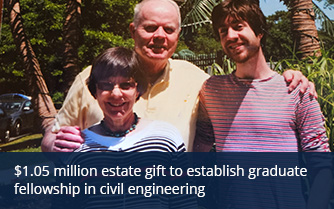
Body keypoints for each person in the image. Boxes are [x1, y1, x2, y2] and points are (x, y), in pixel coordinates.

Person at [41, 0, 314, 152]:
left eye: (168, 30)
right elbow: (50, 140)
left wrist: (291, 78)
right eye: (150, 28)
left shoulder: (197, 81)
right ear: (132, 30)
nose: (160, 37)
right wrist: (54, 145)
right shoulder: (91, 79)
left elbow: (249, 89)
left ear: (177, 35)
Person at [193, 1, 332, 207]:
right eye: (223, 31)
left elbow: (321, 165)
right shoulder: (212, 90)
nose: (230, 36)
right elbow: (201, 146)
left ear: (259, 32)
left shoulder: (297, 90)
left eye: (239, 26)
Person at [74, 47, 185, 152]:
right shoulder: (80, 145)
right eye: (106, 85)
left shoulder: (166, 138)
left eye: (126, 85)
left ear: (138, 90)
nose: (116, 94)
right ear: (95, 91)